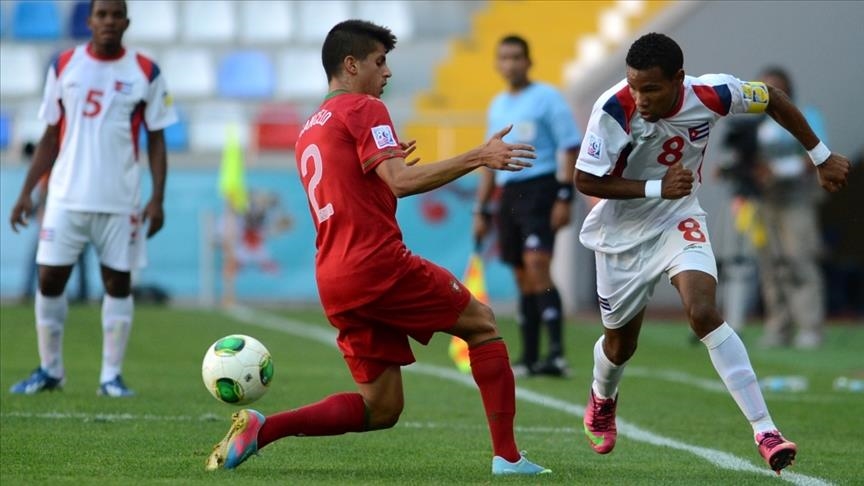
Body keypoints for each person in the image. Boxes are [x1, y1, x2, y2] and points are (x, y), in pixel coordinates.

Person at [205, 20, 550, 476]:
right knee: (483, 325)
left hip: (334, 277)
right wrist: (479, 155)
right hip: (377, 264)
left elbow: (357, 190)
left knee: (381, 407)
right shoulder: (364, 107)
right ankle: (508, 458)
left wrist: (383, 171)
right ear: (351, 65)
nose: (387, 73)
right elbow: (401, 182)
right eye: (379, 62)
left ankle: (263, 429)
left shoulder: (310, 128)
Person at [573, 33, 849, 474]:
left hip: (678, 218)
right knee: (621, 345)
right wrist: (655, 187)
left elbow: (773, 98)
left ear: (678, 79)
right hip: (620, 233)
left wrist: (820, 156)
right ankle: (602, 397)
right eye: (634, 86)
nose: (640, 98)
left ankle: (765, 430)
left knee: (703, 311)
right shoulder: (613, 108)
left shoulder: (712, 93)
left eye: (651, 89)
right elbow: (586, 179)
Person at [8, 0, 177, 397]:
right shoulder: (64, 64)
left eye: (116, 15)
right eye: (102, 14)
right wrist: (27, 192)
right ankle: (50, 370)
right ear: (89, 21)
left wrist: (158, 198)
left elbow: (156, 140)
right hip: (65, 197)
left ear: (127, 22)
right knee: (49, 278)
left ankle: (110, 377)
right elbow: (51, 134)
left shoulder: (146, 72)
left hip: (120, 200)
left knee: (117, 282)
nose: (109, 21)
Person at [472, 35, 582, 378]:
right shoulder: (497, 105)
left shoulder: (548, 98)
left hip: (541, 189)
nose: (511, 64)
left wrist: (565, 196)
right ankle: (530, 356)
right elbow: (489, 160)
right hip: (508, 194)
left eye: (516, 57)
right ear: (497, 63)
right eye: (504, 57)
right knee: (521, 273)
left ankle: (556, 354)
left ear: (528, 61)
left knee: (538, 265)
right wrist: (481, 210)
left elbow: (570, 146)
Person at [752, 67, 827, 349]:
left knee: (799, 259)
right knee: (771, 265)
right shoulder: (754, 123)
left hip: (796, 198)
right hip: (763, 199)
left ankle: (809, 326)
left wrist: (781, 169)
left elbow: (818, 153)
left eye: (776, 89)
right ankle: (778, 326)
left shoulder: (806, 115)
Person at [18, 142, 92, 304]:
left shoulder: (53, 170)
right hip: (60, 220)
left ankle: (80, 294)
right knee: (74, 259)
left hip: (60, 221)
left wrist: (37, 212)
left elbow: (46, 197)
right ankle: (81, 294)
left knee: (45, 258)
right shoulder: (47, 172)